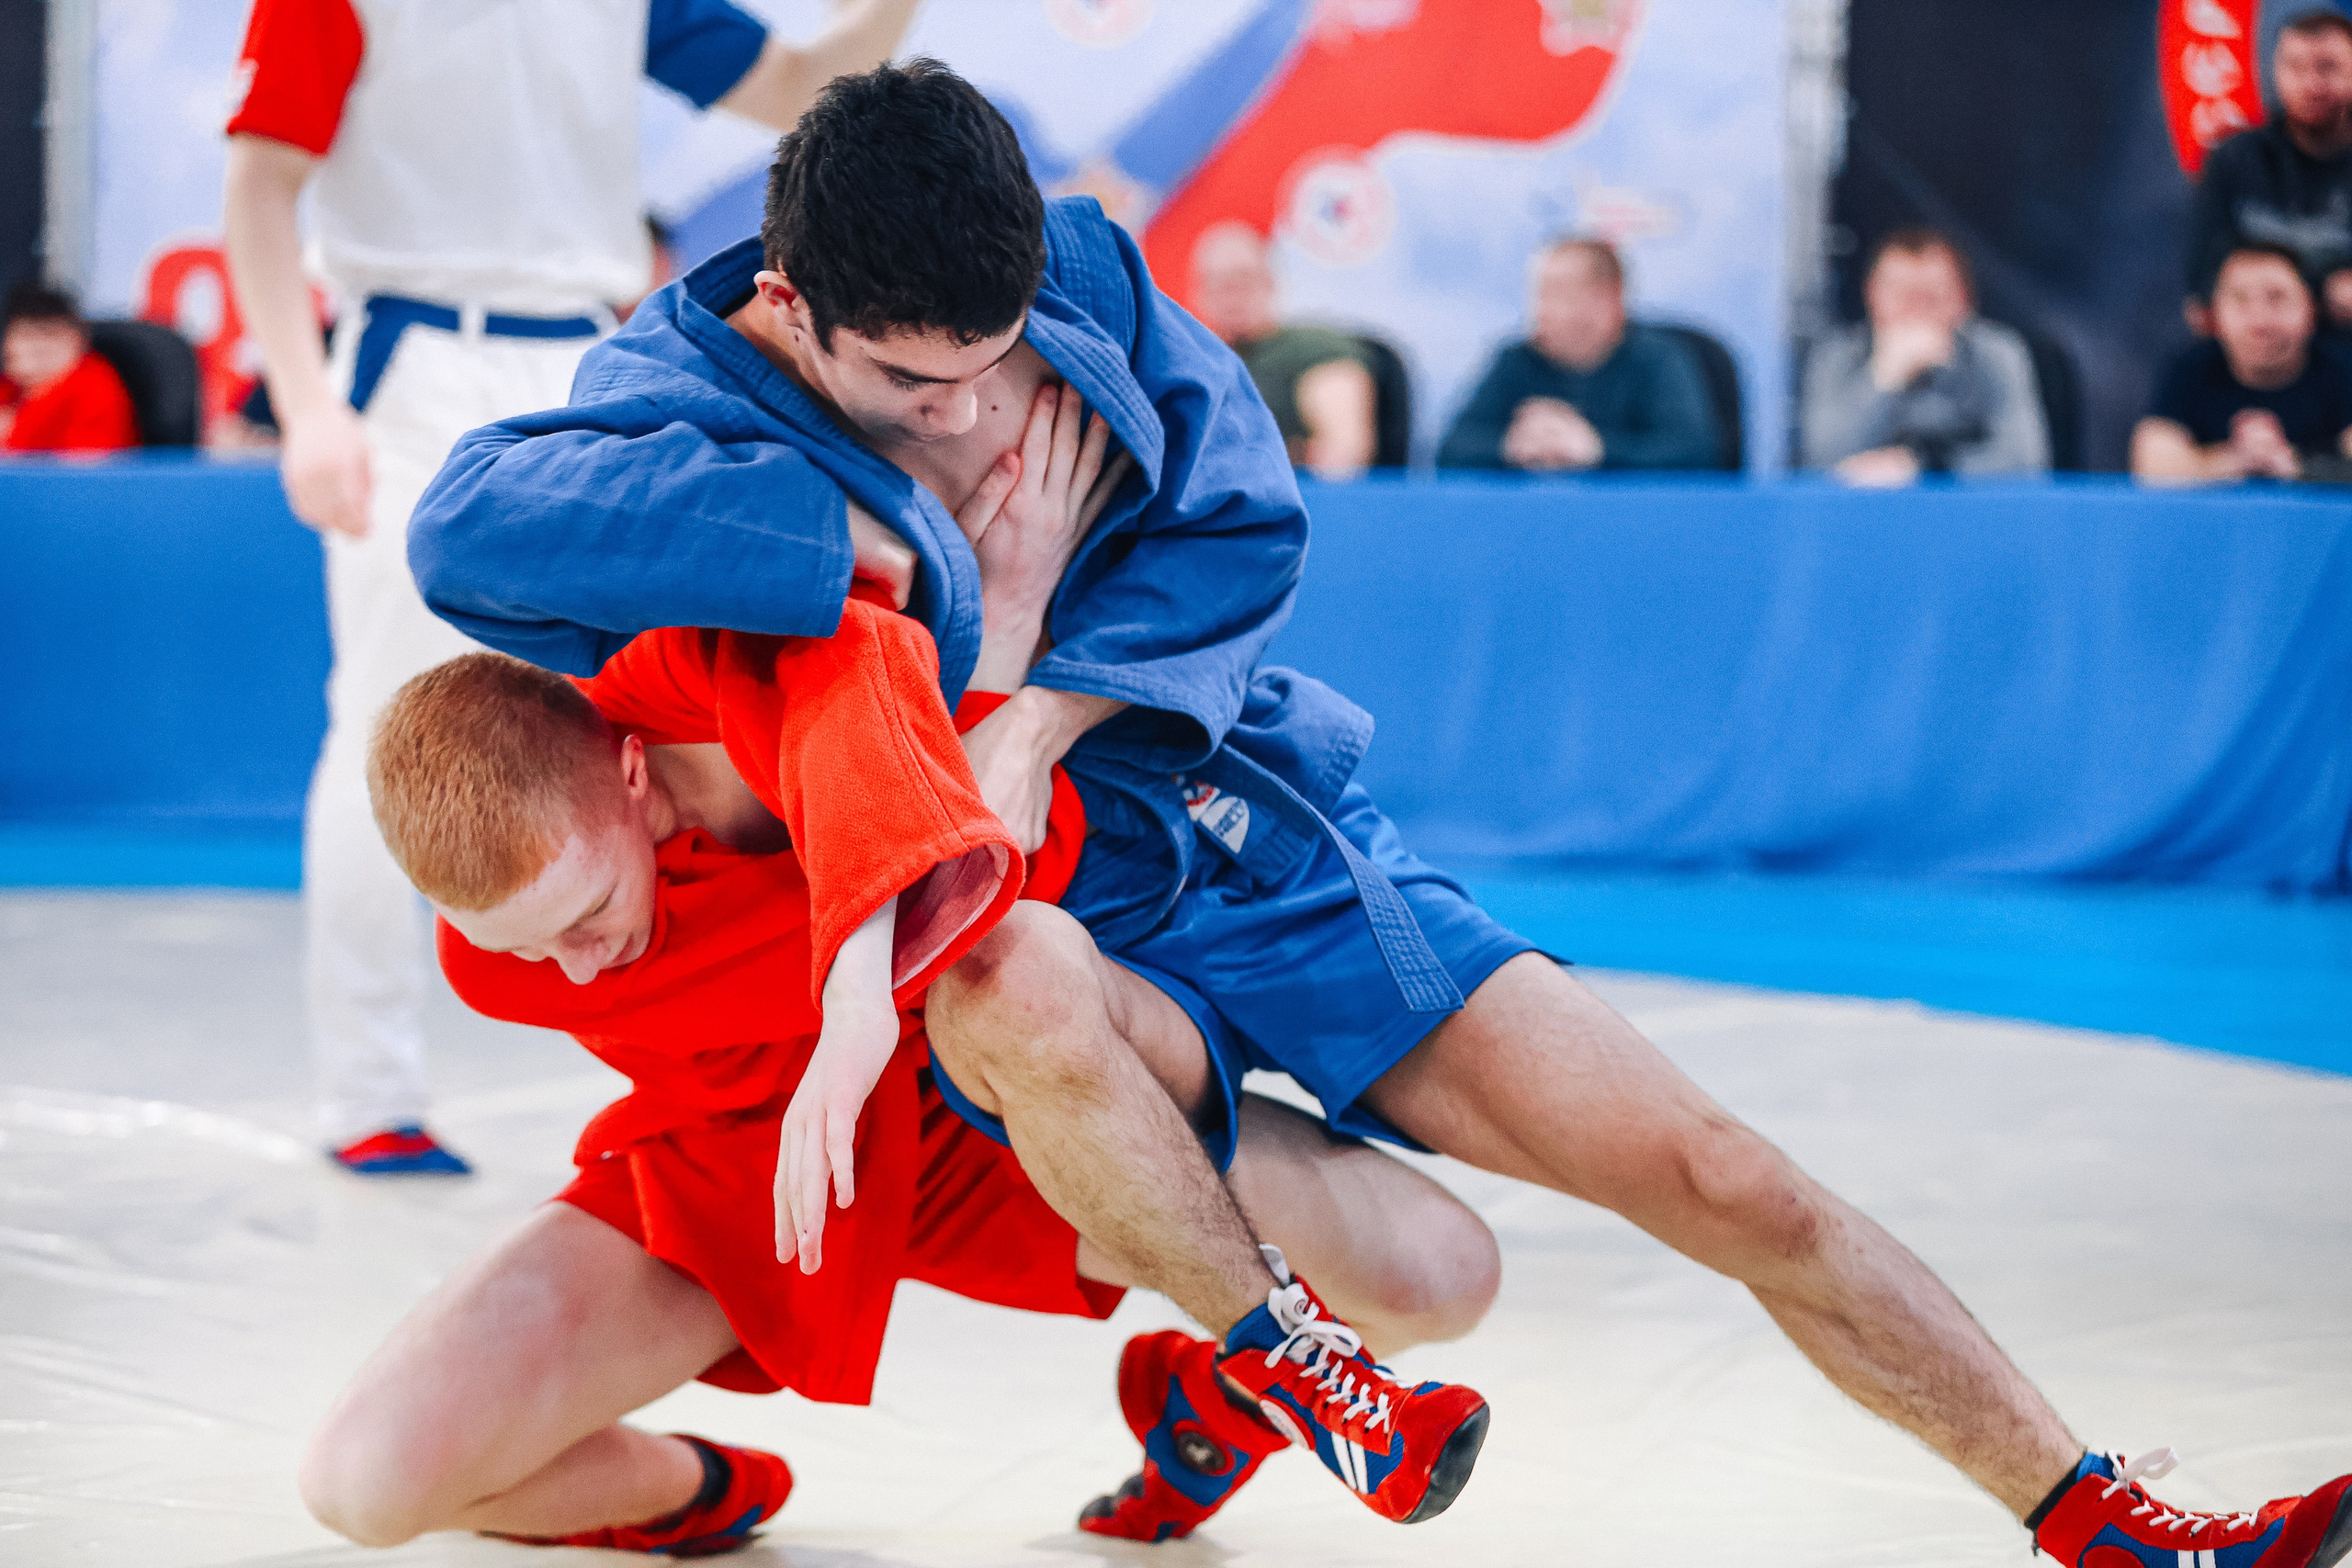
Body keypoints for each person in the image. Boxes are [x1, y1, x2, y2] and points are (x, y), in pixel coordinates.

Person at [409, 62, 2352, 1564]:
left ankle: (2087, 1502)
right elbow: (464, 533)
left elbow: (1247, 526)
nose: (971, 415)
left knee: (1709, 1177)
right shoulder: (664, 382)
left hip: (1227, 840)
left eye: (994, 372)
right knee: (998, 971)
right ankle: (1271, 1358)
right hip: (1023, 926)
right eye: (910, 387)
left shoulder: (1064, 273)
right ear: (789, 308)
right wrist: (879, 544)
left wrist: (1044, 698)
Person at [302, 450, 1499, 1551]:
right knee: (364, 1480)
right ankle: (687, 1490)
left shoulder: (738, 697)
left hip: (979, 1123)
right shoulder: (500, 953)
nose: (574, 969)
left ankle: (1219, 1388)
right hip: (738, 1182)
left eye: (584, 914)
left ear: (629, 768)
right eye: (522, 946)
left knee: (1442, 1273)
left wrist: (1008, 635)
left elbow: (866, 670)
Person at [218, 0, 923, 1176]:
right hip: (419, 361)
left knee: (682, 708)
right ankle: (369, 1092)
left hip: (606, 371)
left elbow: (799, 83)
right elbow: (259, 182)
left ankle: (711, 1072)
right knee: (391, 728)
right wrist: (304, 406)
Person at [1437, 236, 1719, 472]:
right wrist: (1512, 446)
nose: (1541, 310)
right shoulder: (1516, 360)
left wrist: (1596, 449)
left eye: (1558, 294)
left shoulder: (1659, 359)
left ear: (1607, 301)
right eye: (1538, 294)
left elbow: (1696, 452)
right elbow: (1450, 450)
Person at [1799, 228, 2049, 484]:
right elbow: (1820, 459)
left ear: (1963, 299)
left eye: (1931, 296)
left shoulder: (1997, 352)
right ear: (1871, 294)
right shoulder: (1836, 356)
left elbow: (2026, 461)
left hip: (1967, 514)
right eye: (1902, 296)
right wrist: (1883, 378)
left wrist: (1925, 467)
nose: (1916, 311)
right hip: (1864, 515)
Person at [2188, 6, 2352, 333]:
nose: (2311, 83)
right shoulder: (2234, 157)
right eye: (2296, 66)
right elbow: (2203, 288)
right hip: (2253, 348)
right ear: (2273, 69)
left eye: (2327, 68)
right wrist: (2319, 289)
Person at [2135, 243, 2352, 481]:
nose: (2260, 322)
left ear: (2311, 309)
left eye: (2277, 298)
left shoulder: (2342, 369)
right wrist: (2235, 459)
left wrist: (2297, 464)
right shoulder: (2190, 370)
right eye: (2240, 299)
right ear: (2213, 314)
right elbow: (2151, 465)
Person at [1189, 221, 1378, 479]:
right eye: (1217, 282)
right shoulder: (1191, 366)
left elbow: (1343, 456)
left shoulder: (1313, 350)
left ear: (1271, 282)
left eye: (1244, 278)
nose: (1233, 294)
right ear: (1197, 293)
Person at [0, 281, 139, 455]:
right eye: (26, 335)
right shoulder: (8, 388)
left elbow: (81, 474)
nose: (37, 347)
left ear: (79, 339)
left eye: (49, 335)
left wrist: (11, 435)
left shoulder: (95, 389)